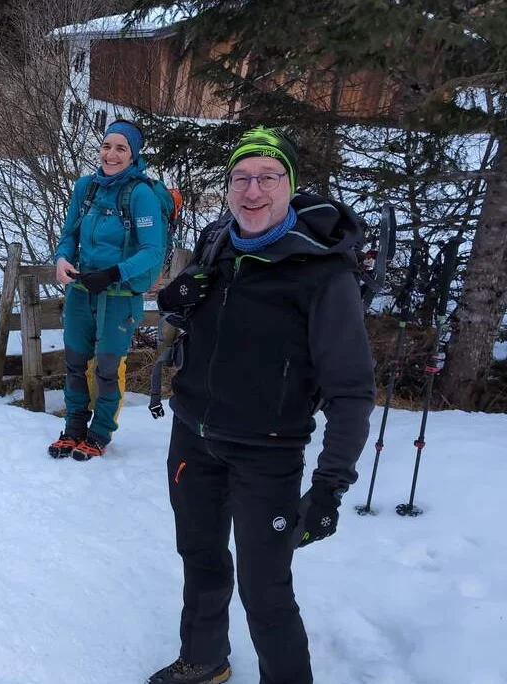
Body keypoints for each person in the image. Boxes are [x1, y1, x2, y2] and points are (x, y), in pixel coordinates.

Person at [147, 127, 375, 684]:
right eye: (241, 178)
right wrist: (179, 304)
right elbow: (202, 328)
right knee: (200, 557)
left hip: (266, 453)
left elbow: (351, 389)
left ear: (290, 186)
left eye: (268, 177)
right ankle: (205, 659)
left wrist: (329, 487)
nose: (252, 191)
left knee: (265, 588)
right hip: (192, 436)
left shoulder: (323, 273)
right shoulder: (218, 244)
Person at [49, 120, 167, 461]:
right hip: (81, 290)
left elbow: (152, 251)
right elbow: (69, 232)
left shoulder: (140, 193)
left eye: (121, 148)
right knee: (74, 360)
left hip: (118, 295)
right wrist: (61, 259)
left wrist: (114, 273)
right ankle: (73, 429)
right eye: (106, 146)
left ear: (133, 155)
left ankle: (99, 433)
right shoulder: (86, 188)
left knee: (107, 365)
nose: (111, 154)